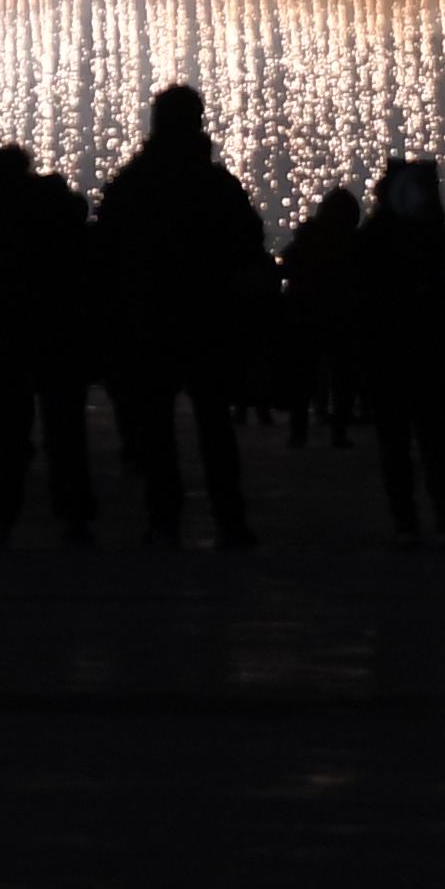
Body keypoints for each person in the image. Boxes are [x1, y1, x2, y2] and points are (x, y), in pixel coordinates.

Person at [95, 85, 270, 547]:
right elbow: (248, 243)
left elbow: (108, 252)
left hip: (152, 319)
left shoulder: (134, 184)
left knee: (156, 427)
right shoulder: (215, 184)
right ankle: (228, 518)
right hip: (209, 319)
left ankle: (164, 517)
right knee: (214, 424)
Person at [0, 146, 100, 544]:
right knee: (65, 429)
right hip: (62, 334)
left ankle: (2, 512)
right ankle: (74, 514)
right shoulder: (63, 217)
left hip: (12, 334)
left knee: (7, 428)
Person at [354, 156, 445, 544]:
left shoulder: (377, 233)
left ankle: (407, 520)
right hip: (425, 349)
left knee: (396, 441)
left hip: (387, 351)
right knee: (432, 437)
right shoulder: (428, 233)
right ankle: (444, 517)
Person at [281, 187, 366, 449]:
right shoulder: (354, 244)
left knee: (304, 376)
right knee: (342, 377)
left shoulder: (307, 238)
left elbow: (289, 266)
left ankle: (299, 431)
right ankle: (338, 432)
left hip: (307, 315)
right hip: (341, 317)